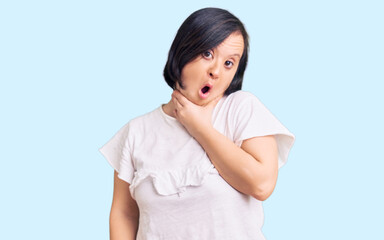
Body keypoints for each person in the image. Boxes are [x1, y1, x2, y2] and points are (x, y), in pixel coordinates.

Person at [99, 7, 295, 240]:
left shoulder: (241, 109)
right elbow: (124, 214)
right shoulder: (136, 132)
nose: (215, 71)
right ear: (183, 51)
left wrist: (199, 128)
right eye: (207, 54)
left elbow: (261, 184)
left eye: (229, 63)